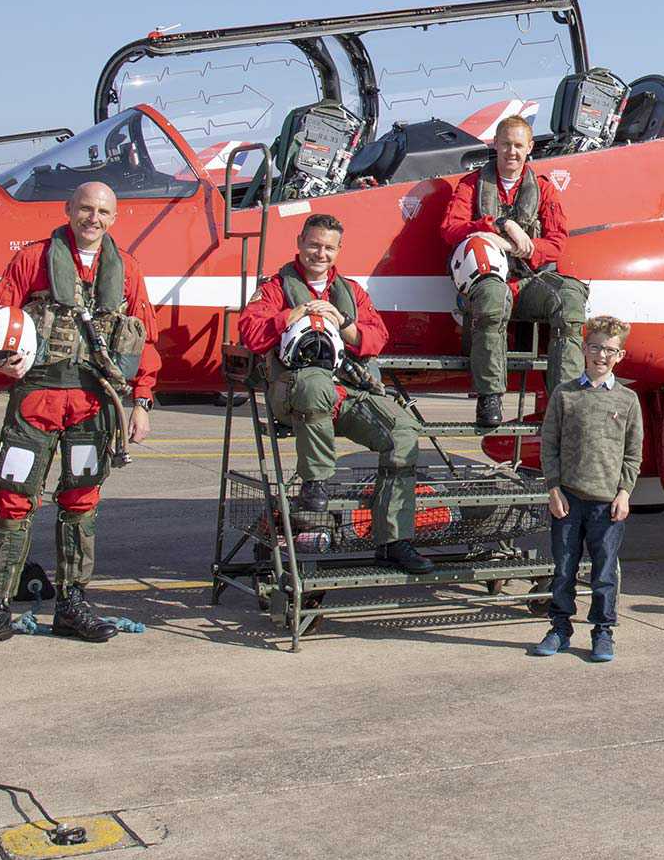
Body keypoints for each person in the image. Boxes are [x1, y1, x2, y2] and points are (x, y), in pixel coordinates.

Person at [0, 182, 158, 653]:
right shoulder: (32, 259)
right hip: (37, 398)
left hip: (93, 403)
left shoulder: (127, 269)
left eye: (103, 211)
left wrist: (142, 403)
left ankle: (72, 604)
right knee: (13, 500)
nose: (94, 218)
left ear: (114, 216)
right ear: (68, 209)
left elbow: (145, 337)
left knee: (82, 503)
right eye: (85, 208)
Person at [236, 213, 434, 576]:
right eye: (313, 244)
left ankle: (392, 540)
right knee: (314, 384)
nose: (320, 253)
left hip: (347, 393)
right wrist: (289, 316)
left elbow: (377, 338)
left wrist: (343, 323)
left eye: (328, 247)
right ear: (299, 242)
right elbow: (250, 331)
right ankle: (315, 483)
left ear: (339, 250)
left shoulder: (352, 292)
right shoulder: (275, 288)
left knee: (403, 430)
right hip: (295, 394)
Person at [438, 116, 588, 428]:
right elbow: (450, 229)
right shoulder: (471, 185)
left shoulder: (544, 190)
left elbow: (557, 243)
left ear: (530, 148)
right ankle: (489, 396)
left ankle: (565, 403)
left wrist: (528, 248)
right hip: (488, 281)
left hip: (529, 280)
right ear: (496, 145)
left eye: (519, 145)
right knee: (492, 297)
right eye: (506, 144)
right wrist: (496, 225)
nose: (512, 152)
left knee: (569, 300)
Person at [533, 316, 644, 663]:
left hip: (607, 504)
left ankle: (602, 631)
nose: (601, 355)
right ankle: (560, 627)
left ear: (620, 355)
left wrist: (625, 492)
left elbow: (633, 452)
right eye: (595, 347)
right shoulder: (565, 394)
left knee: (604, 572)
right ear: (584, 349)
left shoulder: (627, 400)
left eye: (609, 350)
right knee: (564, 568)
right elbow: (549, 444)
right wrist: (553, 488)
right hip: (569, 499)